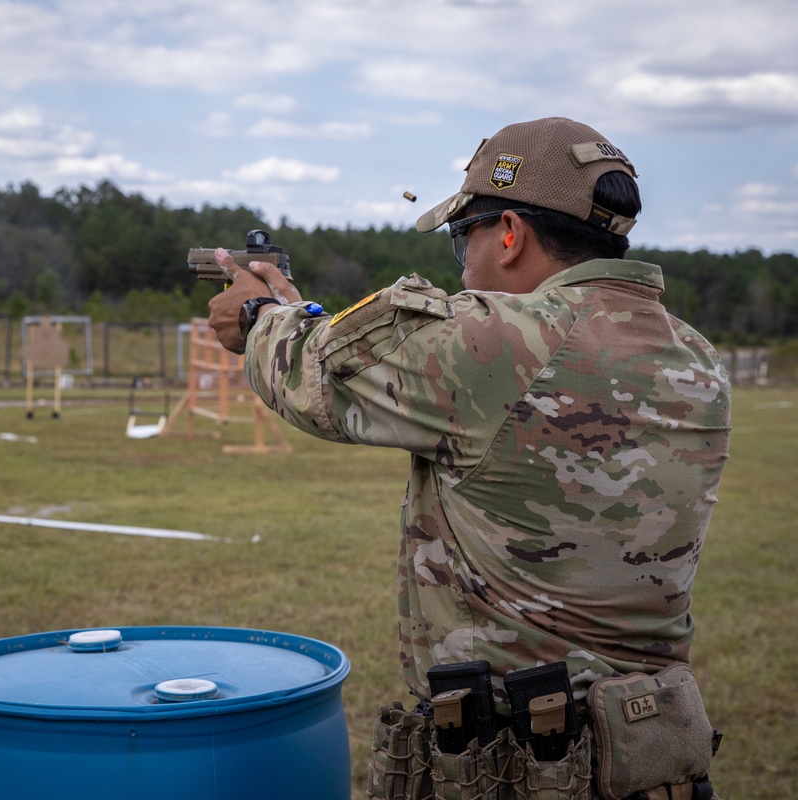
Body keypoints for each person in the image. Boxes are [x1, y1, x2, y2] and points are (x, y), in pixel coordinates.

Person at [207, 117, 730, 797]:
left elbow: (311, 377)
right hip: (651, 761)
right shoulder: (694, 354)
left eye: (466, 238)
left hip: (518, 769)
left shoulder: (509, 341)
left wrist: (258, 317)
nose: (466, 266)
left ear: (509, 234)